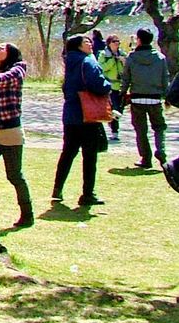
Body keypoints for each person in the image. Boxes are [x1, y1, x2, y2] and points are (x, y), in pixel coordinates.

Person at [53, 34, 112, 206]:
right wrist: (108, 85)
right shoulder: (88, 62)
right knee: (89, 155)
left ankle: (58, 188)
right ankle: (88, 194)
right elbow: (98, 85)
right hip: (88, 114)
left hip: (70, 114)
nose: (90, 44)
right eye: (86, 41)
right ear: (78, 46)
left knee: (68, 152)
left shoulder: (69, 62)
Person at [0, 42, 33, 228]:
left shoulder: (18, 68)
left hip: (10, 130)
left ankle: (27, 214)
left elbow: (0, 80)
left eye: (2, 48)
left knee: (14, 175)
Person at [121, 28, 169, 169]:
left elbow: (126, 78)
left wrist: (123, 93)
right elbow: (165, 78)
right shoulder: (160, 57)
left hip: (137, 98)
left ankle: (145, 158)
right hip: (154, 98)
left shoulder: (131, 57)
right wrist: (166, 96)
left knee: (141, 130)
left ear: (139, 40)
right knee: (159, 127)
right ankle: (161, 150)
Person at [97, 35, 127, 141]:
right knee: (115, 109)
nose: (117, 43)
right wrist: (112, 60)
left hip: (121, 87)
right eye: (114, 41)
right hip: (110, 87)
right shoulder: (104, 54)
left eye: (118, 41)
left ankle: (112, 123)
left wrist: (123, 61)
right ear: (109, 43)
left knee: (119, 110)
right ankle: (115, 132)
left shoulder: (123, 54)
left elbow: (127, 69)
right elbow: (101, 68)